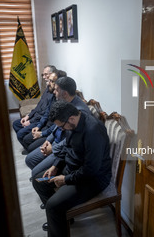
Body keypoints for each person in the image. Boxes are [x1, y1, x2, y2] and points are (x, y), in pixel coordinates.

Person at [32, 101, 111, 236]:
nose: (61, 130)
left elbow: (91, 169)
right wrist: (55, 166)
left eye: (62, 127)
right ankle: (62, 218)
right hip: (74, 169)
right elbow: (66, 148)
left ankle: (57, 215)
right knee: (38, 181)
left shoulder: (93, 131)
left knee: (52, 206)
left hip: (93, 179)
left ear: (71, 119)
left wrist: (66, 179)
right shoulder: (72, 124)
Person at [24, 76, 92, 176]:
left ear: (64, 94)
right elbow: (57, 126)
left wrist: (53, 149)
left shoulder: (80, 112)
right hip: (55, 141)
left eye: (56, 90)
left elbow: (72, 139)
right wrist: (48, 140)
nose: (54, 92)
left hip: (62, 148)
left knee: (35, 172)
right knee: (29, 159)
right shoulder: (64, 103)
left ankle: (45, 181)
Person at [12, 65, 56, 150]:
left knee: (20, 134)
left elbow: (45, 113)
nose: (44, 77)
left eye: (46, 74)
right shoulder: (48, 88)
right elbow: (39, 106)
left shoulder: (54, 93)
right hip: (35, 117)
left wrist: (30, 121)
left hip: (39, 120)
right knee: (16, 124)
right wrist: (28, 116)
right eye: (43, 75)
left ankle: (30, 148)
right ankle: (29, 146)